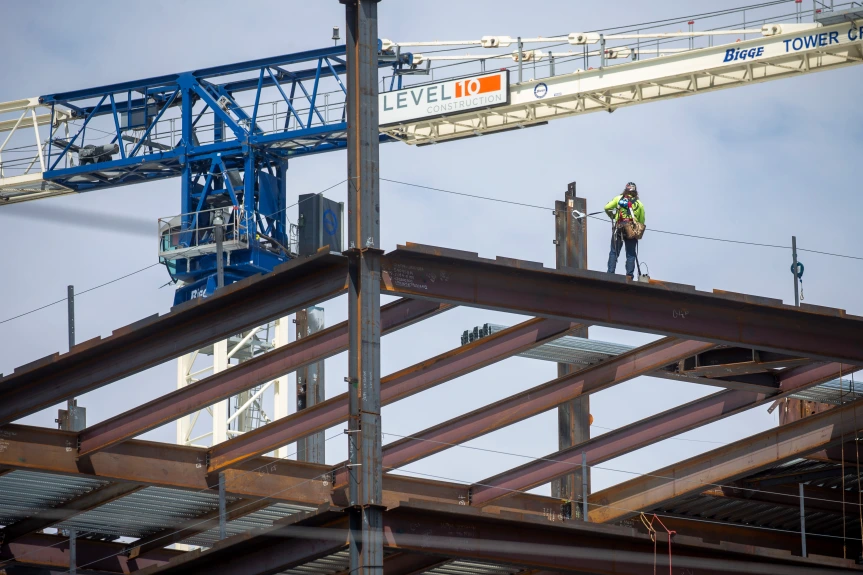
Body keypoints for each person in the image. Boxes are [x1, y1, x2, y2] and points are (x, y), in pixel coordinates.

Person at [605, 182, 645, 279]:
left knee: (614, 251)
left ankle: (610, 274)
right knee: (631, 254)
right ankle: (629, 276)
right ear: (635, 191)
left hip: (619, 226)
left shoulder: (619, 199)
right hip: (632, 229)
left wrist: (613, 216)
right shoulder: (639, 204)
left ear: (625, 190)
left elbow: (607, 208)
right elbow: (642, 220)